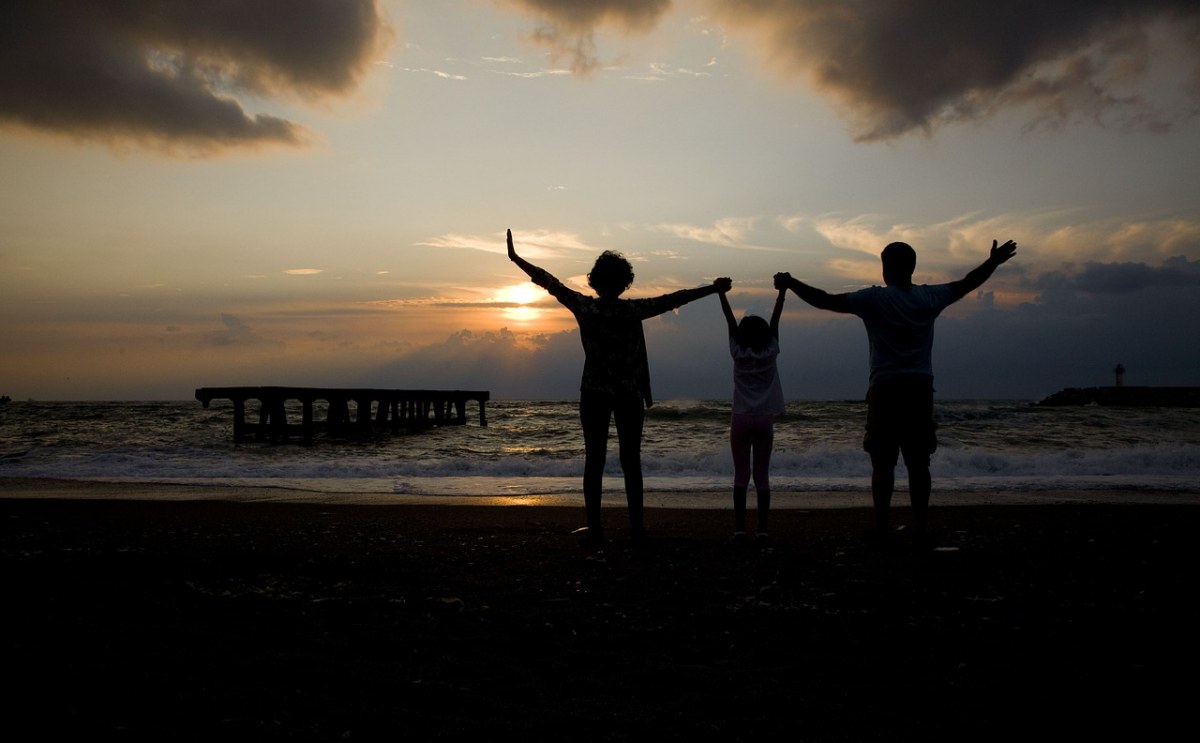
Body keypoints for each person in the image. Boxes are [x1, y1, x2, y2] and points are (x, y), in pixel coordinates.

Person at [775, 239, 1017, 548]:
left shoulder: (874, 299)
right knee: (919, 463)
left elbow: (825, 300)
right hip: (919, 388)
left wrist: (791, 282)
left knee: (883, 462)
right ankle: (919, 527)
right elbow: (968, 283)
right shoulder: (930, 296)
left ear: (885, 267)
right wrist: (993, 262)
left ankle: (881, 527)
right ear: (912, 267)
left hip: (885, 389)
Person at [507, 229, 731, 545]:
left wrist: (517, 259)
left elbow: (550, 281)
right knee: (631, 459)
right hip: (628, 394)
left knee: (594, 458)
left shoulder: (586, 307)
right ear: (625, 281)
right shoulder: (631, 310)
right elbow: (675, 298)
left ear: (595, 280)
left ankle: (595, 526)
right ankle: (636, 526)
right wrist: (712, 288)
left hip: (595, 392)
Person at [718, 284, 786, 543]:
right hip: (764, 419)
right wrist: (781, 293)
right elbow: (776, 319)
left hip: (741, 419)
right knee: (762, 476)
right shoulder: (771, 352)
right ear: (767, 335)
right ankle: (763, 529)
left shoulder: (737, 353)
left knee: (741, 475)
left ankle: (739, 529)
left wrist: (721, 293)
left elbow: (729, 320)